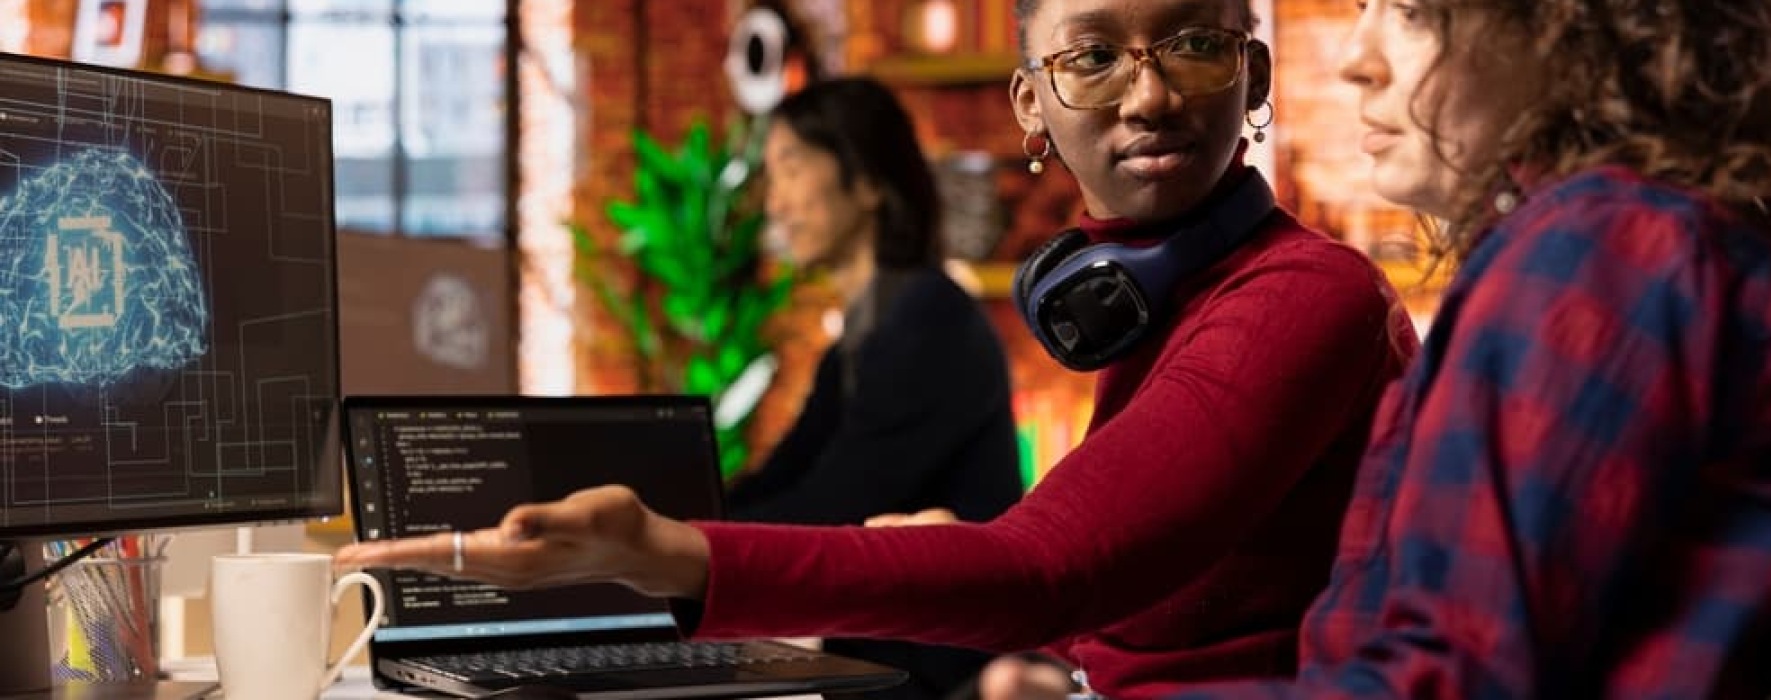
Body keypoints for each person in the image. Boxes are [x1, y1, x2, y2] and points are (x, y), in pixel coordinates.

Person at [334, 1, 1419, 696]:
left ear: (1257, 79)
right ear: (1032, 104)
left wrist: (665, 554)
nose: (1147, 94)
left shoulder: (1304, 298)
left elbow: (1055, 566)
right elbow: (1181, 591)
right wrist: (1064, 664)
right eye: (1092, 55)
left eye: (1192, 43)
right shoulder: (1161, 301)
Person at [988, 0, 1771, 697]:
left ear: (1562, 24)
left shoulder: (1598, 250)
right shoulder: (1625, 238)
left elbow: (1450, 680)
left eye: (1411, 8)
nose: (1357, 61)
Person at [726, 77, 1025, 700]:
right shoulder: (863, 335)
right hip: (881, 661)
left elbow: (835, 502)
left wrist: (669, 546)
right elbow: (783, 478)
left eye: (790, 168)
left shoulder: (929, 320)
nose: (774, 204)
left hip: (944, 675)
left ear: (864, 181)